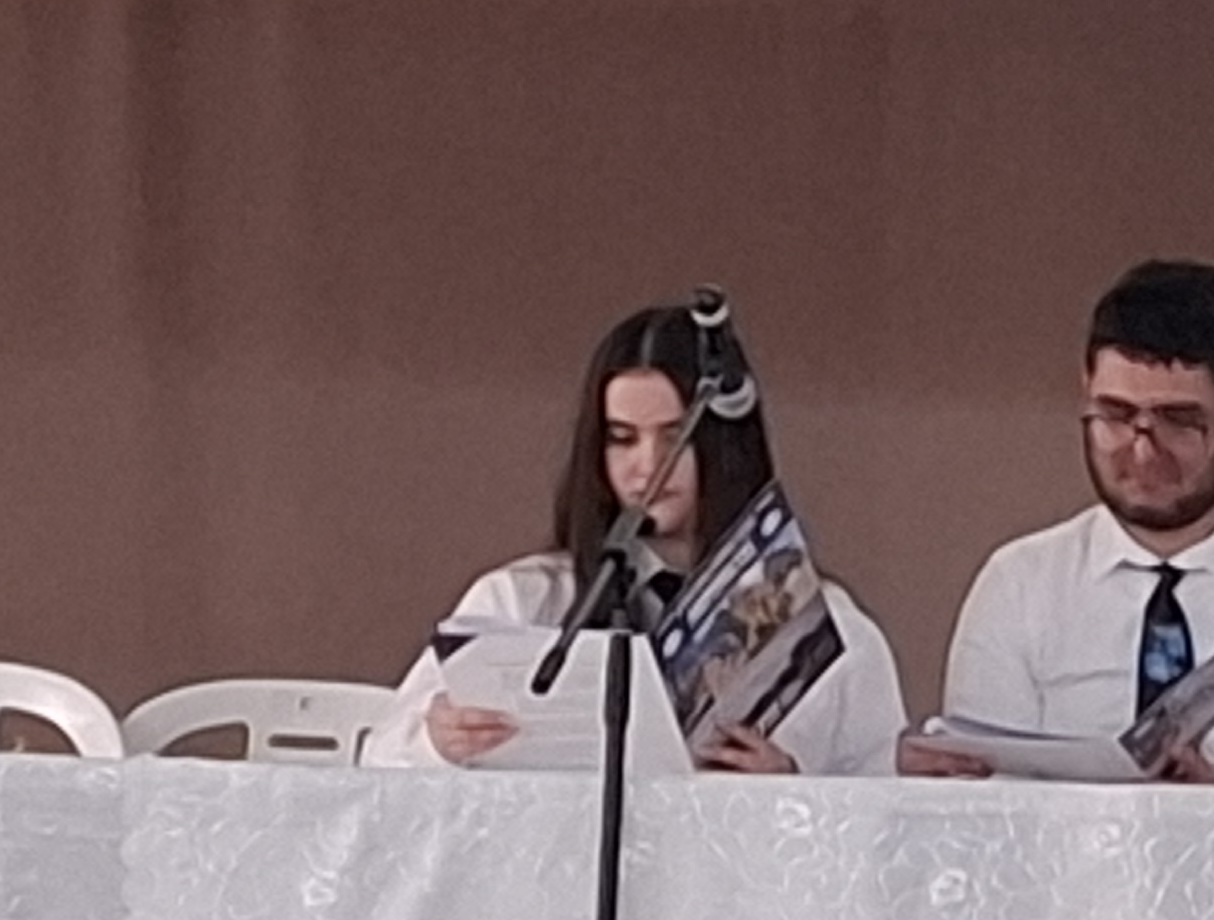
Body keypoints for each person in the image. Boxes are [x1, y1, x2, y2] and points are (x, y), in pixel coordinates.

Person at [375, 301, 907, 775]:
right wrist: (436, 740)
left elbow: (881, 801)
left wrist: (787, 787)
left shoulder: (831, 630)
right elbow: (379, 757)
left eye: (675, 438)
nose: (648, 466)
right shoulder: (521, 601)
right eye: (622, 439)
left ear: (724, 445)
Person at [908, 261, 1214, 788]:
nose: (1142, 451)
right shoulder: (1020, 582)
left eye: (1179, 422)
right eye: (1114, 415)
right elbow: (986, 803)